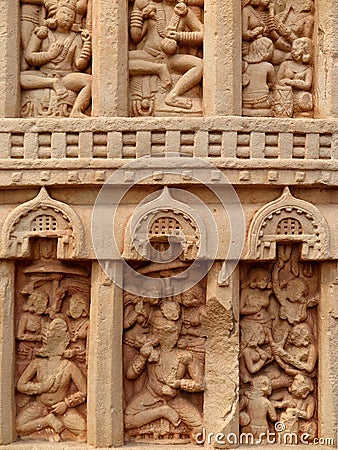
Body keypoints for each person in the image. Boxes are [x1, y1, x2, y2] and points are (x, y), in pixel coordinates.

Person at [125, 310, 204, 441]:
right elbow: (130, 375)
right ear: (157, 334)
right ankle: (162, 411)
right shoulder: (151, 353)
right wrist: (142, 356)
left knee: (200, 426)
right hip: (151, 395)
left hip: (175, 398)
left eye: (173, 333)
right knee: (127, 420)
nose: (170, 337)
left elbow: (200, 384)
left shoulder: (185, 356)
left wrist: (180, 384)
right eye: (164, 333)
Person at [16, 318, 87, 442]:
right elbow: (20, 385)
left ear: (65, 343)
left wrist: (66, 403)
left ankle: (55, 430)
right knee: (19, 427)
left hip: (62, 409)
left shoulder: (69, 366)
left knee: (85, 430)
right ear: (46, 343)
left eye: (59, 342)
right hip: (40, 406)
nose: (56, 346)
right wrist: (41, 387)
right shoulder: (38, 363)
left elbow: (84, 391)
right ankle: (47, 422)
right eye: (52, 342)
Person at [21, 0, 91, 117]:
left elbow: (79, 65)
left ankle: (76, 111)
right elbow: (29, 57)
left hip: (65, 76)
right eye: (64, 13)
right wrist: (50, 55)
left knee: (91, 82)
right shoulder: (43, 33)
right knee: (19, 79)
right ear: (54, 15)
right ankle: (51, 83)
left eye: (71, 15)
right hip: (44, 74)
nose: (67, 18)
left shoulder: (76, 37)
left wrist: (87, 44)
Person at [129, 0, 203, 110]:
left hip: (170, 58)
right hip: (149, 54)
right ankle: (158, 69)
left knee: (199, 65)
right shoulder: (152, 8)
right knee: (121, 61)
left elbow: (203, 34)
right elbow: (135, 37)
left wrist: (180, 36)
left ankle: (173, 95)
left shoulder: (183, 12)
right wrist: (138, 13)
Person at [276, 37, 313, 116]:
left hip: (299, 96)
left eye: (298, 50)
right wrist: (284, 84)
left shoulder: (307, 69)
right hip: (284, 94)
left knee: (305, 101)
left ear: (305, 52)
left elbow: (307, 85)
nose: (295, 53)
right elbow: (277, 81)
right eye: (293, 50)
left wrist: (292, 82)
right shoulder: (285, 64)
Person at [242, 37, 276, 116]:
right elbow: (272, 84)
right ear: (266, 52)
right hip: (263, 101)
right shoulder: (268, 66)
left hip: (245, 102)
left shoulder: (245, 65)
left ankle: (248, 112)